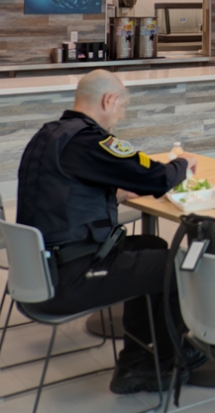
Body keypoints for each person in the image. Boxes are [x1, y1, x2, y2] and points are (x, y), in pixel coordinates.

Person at [16, 69, 203, 394]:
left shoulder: (49, 135)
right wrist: (183, 164)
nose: (121, 114)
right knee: (175, 264)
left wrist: (114, 195)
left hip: (43, 267)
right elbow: (156, 178)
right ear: (109, 99)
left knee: (153, 245)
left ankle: (139, 354)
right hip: (70, 277)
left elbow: (62, 194)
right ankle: (152, 365)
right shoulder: (89, 140)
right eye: (123, 107)